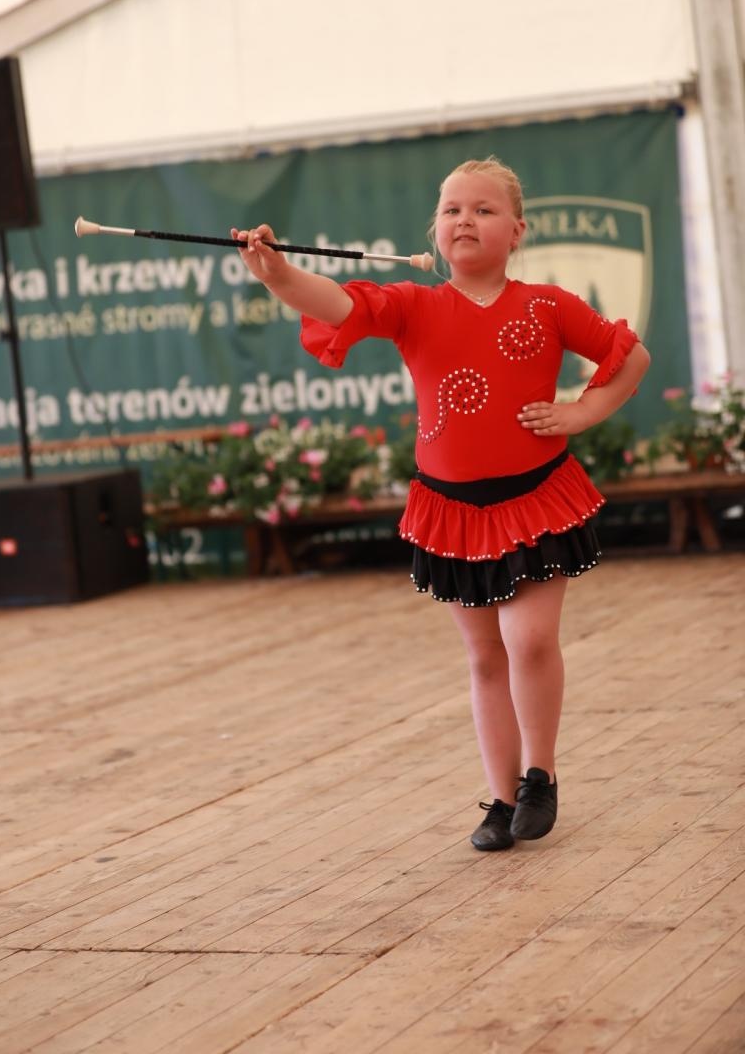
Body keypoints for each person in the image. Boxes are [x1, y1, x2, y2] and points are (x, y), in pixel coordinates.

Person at [232, 156, 650, 852]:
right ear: (435, 227)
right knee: (485, 657)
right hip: (453, 511)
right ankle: (501, 797)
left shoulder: (546, 304)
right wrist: (276, 272)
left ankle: (541, 774)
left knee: (530, 640)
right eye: (453, 208)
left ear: (516, 231)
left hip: (535, 499)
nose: (465, 219)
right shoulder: (414, 305)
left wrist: (581, 414)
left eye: (484, 210)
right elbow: (336, 303)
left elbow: (628, 358)